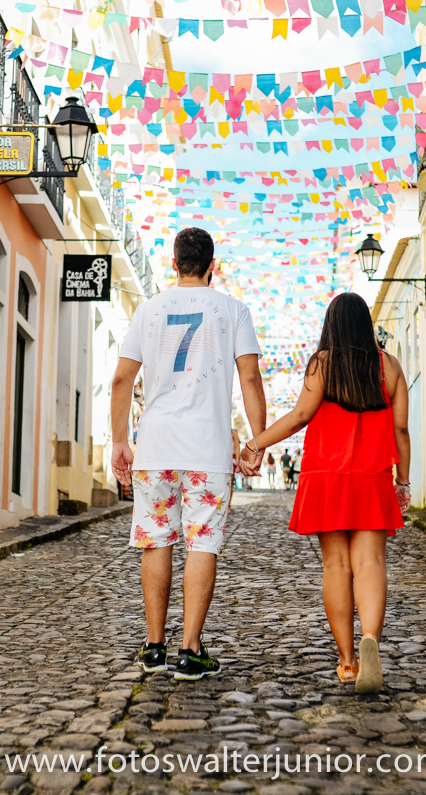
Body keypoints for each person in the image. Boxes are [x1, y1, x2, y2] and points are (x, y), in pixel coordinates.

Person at [111, 227, 267, 680]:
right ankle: (189, 651)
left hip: (156, 446)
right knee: (203, 541)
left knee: (155, 538)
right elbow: (250, 380)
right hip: (206, 448)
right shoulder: (233, 310)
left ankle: (154, 646)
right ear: (212, 266)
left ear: (174, 264)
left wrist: (120, 440)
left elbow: (122, 380)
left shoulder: (149, 309)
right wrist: (257, 440)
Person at [240, 293, 410, 694]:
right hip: (371, 477)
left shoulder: (322, 364)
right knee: (369, 563)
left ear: (331, 325)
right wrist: (403, 480)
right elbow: (400, 429)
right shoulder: (390, 367)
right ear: (366, 324)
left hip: (325, 477)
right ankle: (371, 638)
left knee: (336, 567)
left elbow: (300, 416)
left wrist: (255, 444)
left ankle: (349, 661)